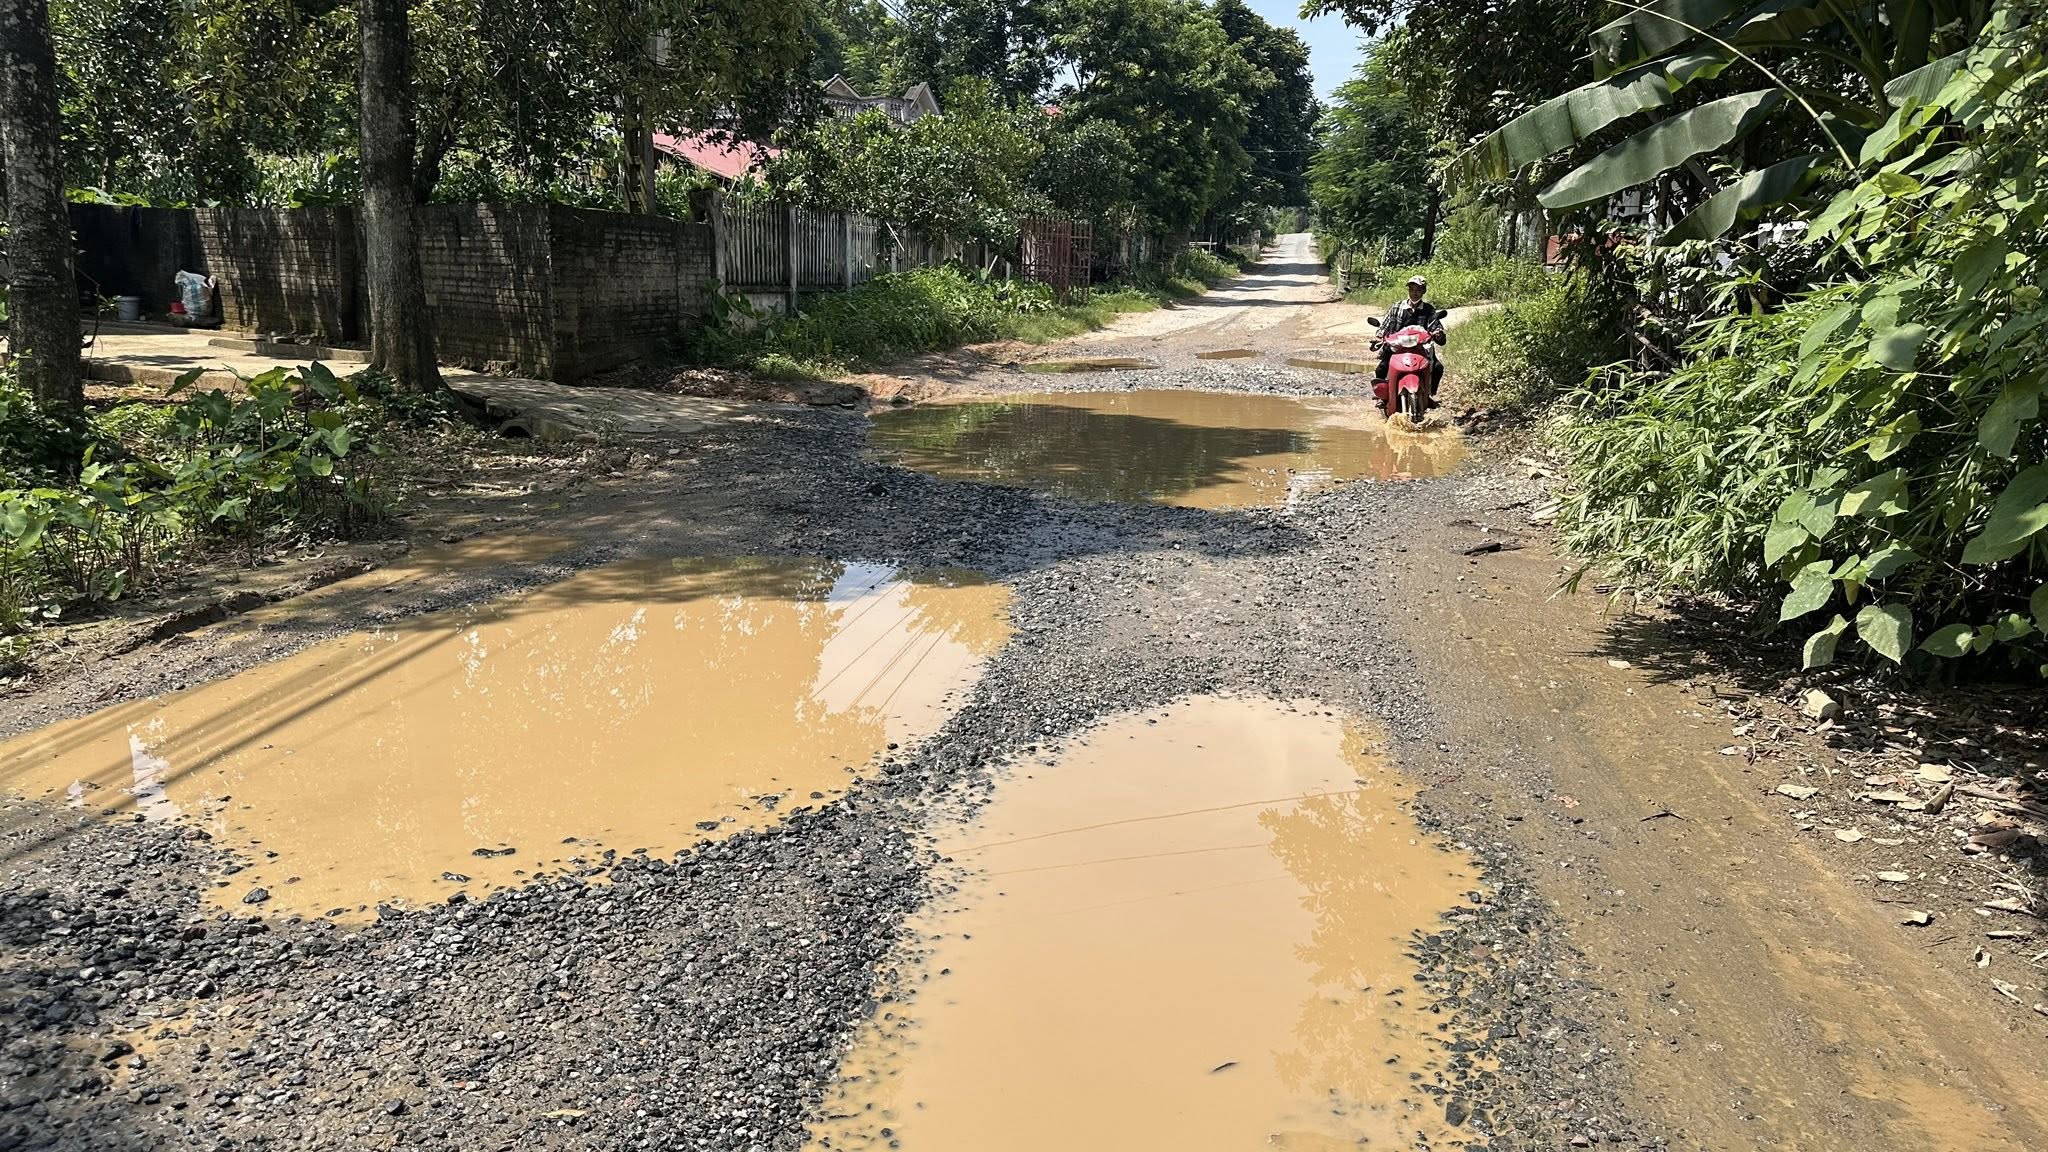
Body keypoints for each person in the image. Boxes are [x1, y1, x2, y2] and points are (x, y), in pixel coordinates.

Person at [1374, 274, 1448, 404]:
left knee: (1437, 368)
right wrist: (1380, 336)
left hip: (1420, 348)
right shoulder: (1396, 307)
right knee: (1381, 368)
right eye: (1412, 289)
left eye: (1418, 290)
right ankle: (1384, 398)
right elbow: (1385, 326)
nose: (1415, 293)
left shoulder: (1428, 310)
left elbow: (1436, 327)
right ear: (1408, 290)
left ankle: (1429, 394)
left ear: (1424, 291)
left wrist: (1438, 333)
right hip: (1397, 346)